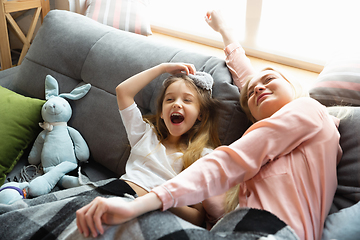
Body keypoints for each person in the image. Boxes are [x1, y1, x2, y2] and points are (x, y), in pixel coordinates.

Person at [76, 10, 342, 240]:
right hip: (226, 227)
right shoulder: (272, 132)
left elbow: (232, 160)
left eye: (270, 78)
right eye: (250, 93)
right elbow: (250, 83)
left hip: (269, 229)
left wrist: (143, 202)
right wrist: (225, 32)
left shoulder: (308, 110)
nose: (258, 87)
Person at [113, 62, 222, 227]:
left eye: (187, 100)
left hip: (156, 215)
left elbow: (197, 218)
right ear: (162, 114)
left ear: (200, 114)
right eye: (169, 99)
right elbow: (123, 91)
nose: (177, 104)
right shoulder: (144, 135)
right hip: (116, 196)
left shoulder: (203, 156)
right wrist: (162, 68)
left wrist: (158, 197)